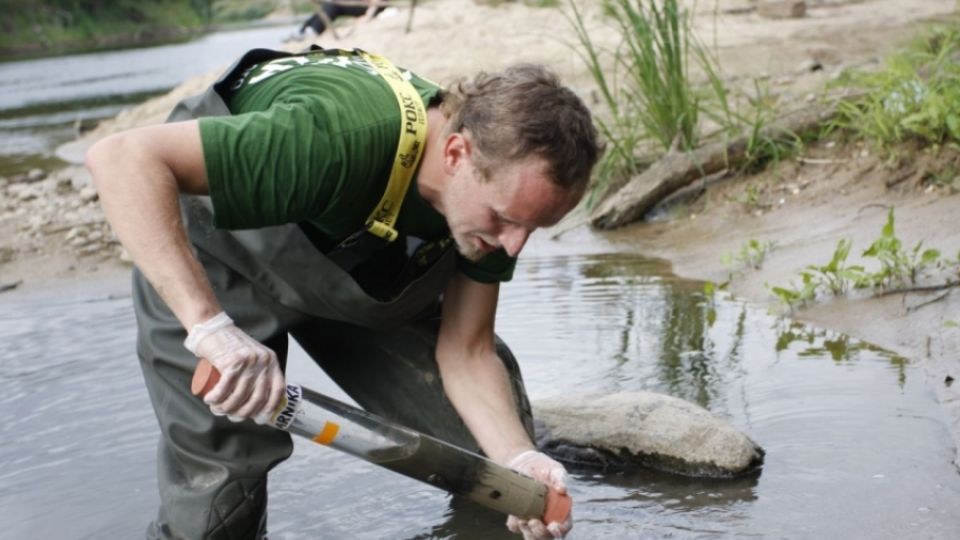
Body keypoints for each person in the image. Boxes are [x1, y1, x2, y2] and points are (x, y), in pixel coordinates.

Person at [86, 46, 600, 540]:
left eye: (533, 229)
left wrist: (517, 458)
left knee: (493, 479)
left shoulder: (499, 199)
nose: (512, 244)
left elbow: (467, 350)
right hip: (215, 266)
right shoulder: (335, 135)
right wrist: (211, 329)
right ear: (457, 153)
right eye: (506, 219)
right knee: (219, 512)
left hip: (357, 278)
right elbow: (121, 159)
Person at [294, 0, 385, 40]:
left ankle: (313, 31)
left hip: (372, 7)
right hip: (364, 4)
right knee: (329, 4)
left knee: (334, 6)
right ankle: (304, 30)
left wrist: (368, 16)